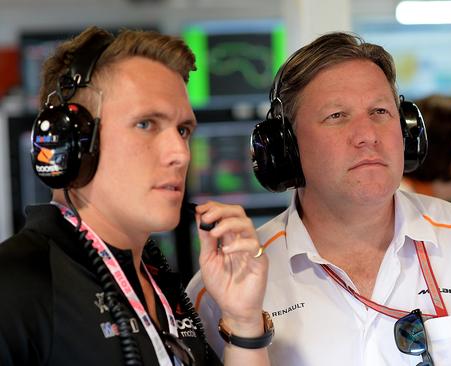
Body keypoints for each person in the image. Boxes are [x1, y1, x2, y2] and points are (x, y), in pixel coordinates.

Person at [188, 32, 451, 365]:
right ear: (286, 147)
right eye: (337, 116)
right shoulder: (223, 289)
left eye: (380, 112)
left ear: (406, 132)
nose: (367, 134)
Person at [0, 26, 271, 366]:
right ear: (72, 143)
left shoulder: (161, 285)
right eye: (146, 124)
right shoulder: (16, 285)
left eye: (183, 130)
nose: (181, 154)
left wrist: (244, 323)